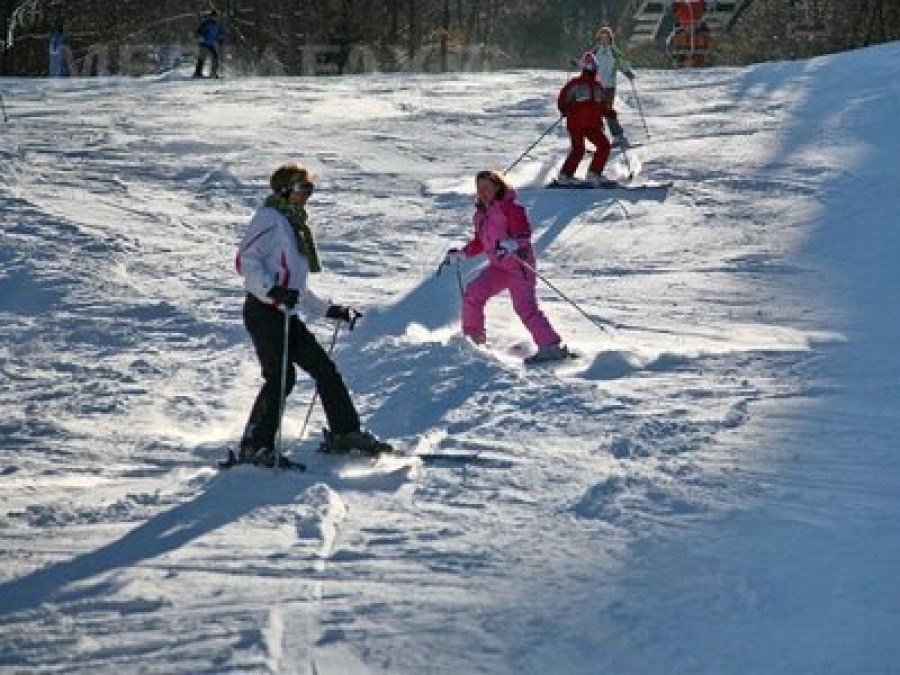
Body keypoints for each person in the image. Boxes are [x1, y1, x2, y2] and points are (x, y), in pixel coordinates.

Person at [235, 163, 392, 465]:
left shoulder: (293, 225)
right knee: (281, 377)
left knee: (325, 370)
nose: (307, 194)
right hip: (264, 312)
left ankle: (345, 434)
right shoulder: (269, 218)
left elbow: (297, 288)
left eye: (310, 188)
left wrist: (330, 310)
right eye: (302, 188)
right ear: (284, 190)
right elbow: (246, 262)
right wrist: (272, 291)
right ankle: (255, 445)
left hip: (284, 313)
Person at [443, 170, 570, 364]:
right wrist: (462, 253)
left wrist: (512, 244)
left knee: (524, 307)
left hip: (519, 264)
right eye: (479, 188)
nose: (483, 192)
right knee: (473, 293)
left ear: (497, 186)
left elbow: (524, 234)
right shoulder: (480, 214)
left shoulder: (511, 207)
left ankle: (550, 346)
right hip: (498, 267)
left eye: (487, 187)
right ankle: (473, 340)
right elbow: (480, 242)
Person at [555, 52, 624, 186]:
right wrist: (565, 109)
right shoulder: (575, 84)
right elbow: (562, 99)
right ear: (584, 67)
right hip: (576, 123)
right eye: (589, 66)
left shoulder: (598, 87)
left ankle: (594, 173)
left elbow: (602, 105)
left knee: (604, 145)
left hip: (593, 124)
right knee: (578, 149)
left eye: (594, 67)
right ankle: (565, 176)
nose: (592, 69)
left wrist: (609, 113)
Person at [592, 26, 634, 107]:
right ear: (599, 39)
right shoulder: (595, 51)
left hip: (610, 86)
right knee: (597, 111)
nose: (604, 40)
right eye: (602, 38)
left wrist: (628, 73)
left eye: (606, 38)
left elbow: (622, 64)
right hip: (597, 86)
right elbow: (587, 63)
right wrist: (576, 64)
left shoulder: (613, 51)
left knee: (608, 110)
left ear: (610, 39)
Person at [194, 11, 221, 78]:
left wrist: (219, 39)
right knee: (202, 58)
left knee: (215, 57)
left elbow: (217, 34)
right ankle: (197, 73)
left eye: (216, 17)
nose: (215, 18)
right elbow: (199, 31)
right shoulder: (206, 23)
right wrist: (200, 37)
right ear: (211, 16)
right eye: (214, 16)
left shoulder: (216, 25)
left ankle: (213, 73)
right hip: (204, 43)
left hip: (211, 44)